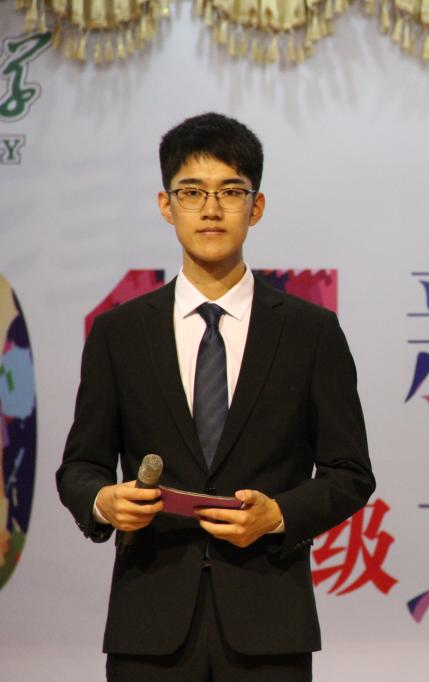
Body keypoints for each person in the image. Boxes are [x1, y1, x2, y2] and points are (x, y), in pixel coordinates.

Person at [56, 112, 375, 681]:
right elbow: (81, 465)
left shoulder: (310, 332)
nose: (210, 209)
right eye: (192, 192)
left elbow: (350, 472)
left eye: (230, 191)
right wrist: (104, 502)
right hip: (148, 623)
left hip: (269, 625)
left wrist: (279, 515)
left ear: (256, 206)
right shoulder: (119, 333)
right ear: (165, 205)